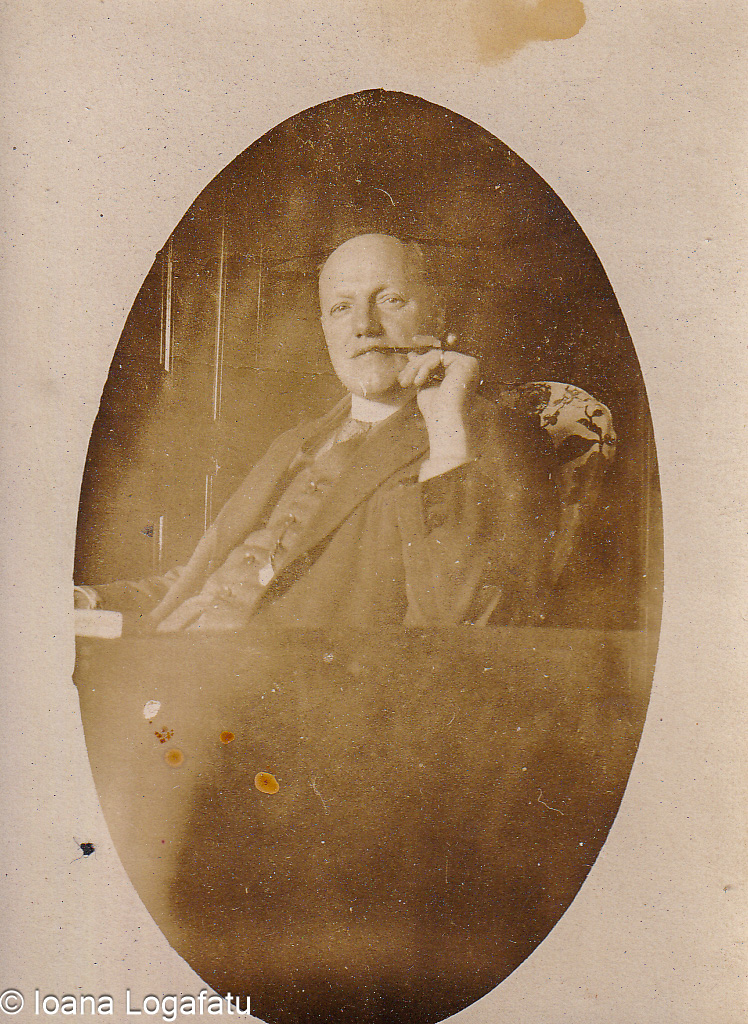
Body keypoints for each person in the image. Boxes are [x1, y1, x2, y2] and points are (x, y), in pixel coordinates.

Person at [80, 233, 558, 632]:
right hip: (172, 663)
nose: (364, 326)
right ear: (326, 327)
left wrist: (448, 435)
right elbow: (210, 579)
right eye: (341, 308)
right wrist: (90, 600)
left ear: (437, 315)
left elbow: (460, 628)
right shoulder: (295, 442)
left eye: (389, 301)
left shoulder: (483, 435)